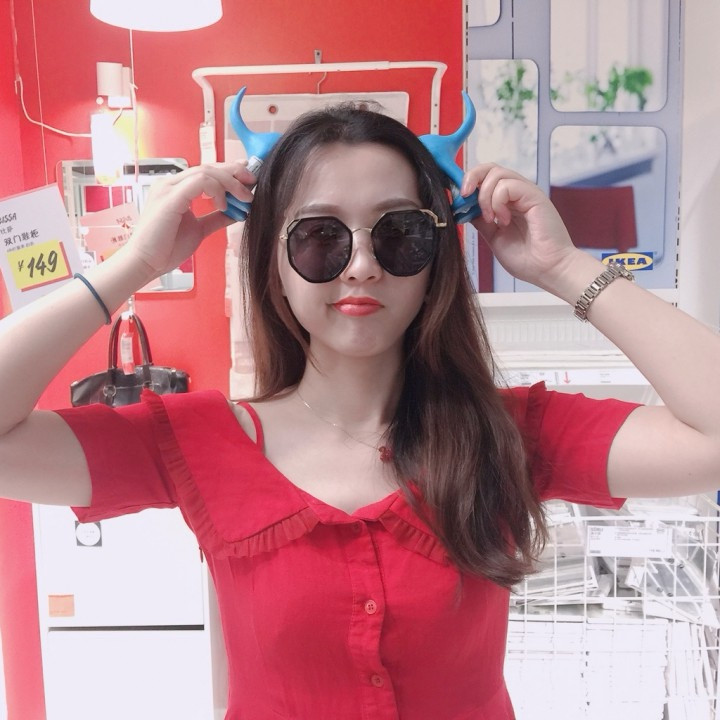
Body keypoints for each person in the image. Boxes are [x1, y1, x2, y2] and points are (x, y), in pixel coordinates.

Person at [1, 102, 719, 720]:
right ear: (273, 262)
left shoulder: (507, 432)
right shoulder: (196, 441)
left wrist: (564, 268)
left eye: (399, 233)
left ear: (435, 256)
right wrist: (132, 265)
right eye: (320, 236)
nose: (362, 265)